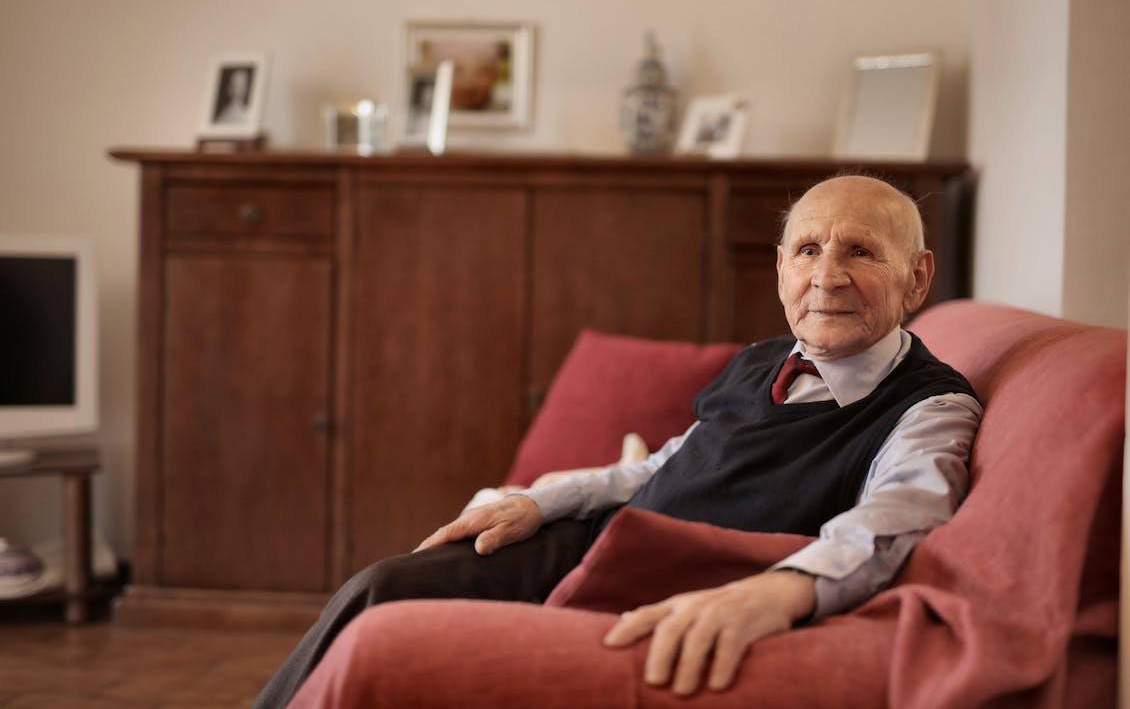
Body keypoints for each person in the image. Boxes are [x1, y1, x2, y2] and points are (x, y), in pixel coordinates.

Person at [254, 174, 982, 706]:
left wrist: (781, 591)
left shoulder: (931, 403)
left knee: (394, 640)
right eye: (808, 249)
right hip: (598, 538)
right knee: (381, 587)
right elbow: (672, 461)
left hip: (666, 579)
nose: (827, 276)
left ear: (917, 279)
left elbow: (899, 516)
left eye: (861, 252)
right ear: (782, 267)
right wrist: (544, 500)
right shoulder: (765, 357)